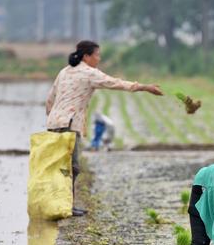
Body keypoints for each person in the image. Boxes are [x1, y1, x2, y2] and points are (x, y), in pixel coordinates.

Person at [45, 40, 163, 216]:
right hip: (69, 124)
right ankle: (64, 206)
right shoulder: (89, 73)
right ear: (86, 56)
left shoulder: (64, 72)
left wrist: (52, 118)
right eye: (97, 55)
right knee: (72, 167)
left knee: (58, 166)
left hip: (54, 123)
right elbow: (115, 83)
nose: (99, 59)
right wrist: (145, 87)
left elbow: (50, 100)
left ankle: (55, 205)